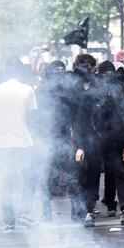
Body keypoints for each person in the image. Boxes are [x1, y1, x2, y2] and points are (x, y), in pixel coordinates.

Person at [93, 62, 124, 227]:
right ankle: (104, 203)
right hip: (101, 139)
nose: (109, 76)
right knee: (104, 172)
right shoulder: (95, 92)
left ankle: (122, 207)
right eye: (105, 73)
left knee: (121, 171)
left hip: (119, 137)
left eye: (111, 72)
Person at [0, 58, 37, 230]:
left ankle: (8, 221)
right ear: (20, 73)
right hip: (22, 141)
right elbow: (31, 117)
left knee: (6, 181)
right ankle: (25, 213)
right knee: (28, 179)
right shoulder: (27, 90)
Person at [68, 54, 104, 226]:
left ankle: (89, 209)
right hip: (75, 138)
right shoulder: (70, 86)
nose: (90, 69)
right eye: (87, 66)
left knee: (93, 175)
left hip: (95, 138)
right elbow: (70, 118)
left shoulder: (98, 85)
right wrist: (78, 145)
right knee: (77, 176)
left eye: (92, 66)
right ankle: (79, 210)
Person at [35, 60, 72, 221]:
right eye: (57, 71)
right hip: (47, 137)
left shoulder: (67, 88)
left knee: (71, 173)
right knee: (48, 175)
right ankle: (45, 213)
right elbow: (37, 114)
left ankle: (79, 212)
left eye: (62, 71)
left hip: (65, 136)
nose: (60, 75)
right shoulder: (42, 89)